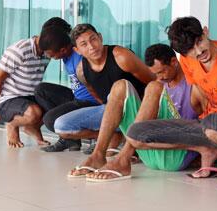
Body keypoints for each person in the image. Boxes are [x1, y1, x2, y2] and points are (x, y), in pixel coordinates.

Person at [125, 16, 217, 185]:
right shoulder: (186, 60)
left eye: (199, 41)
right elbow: (202, 94)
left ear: (205, 32)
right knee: (135, 133)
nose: (198, 52)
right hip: (209, 125)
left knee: (214, 126)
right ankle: (207, 148)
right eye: (190, 50)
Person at [74, 44, 217, 180]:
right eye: (155, 73)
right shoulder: (161, 82)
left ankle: (123, 158)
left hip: (176, 157)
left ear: (173, 62)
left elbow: (210, 127)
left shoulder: (194, 84)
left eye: (162, 72)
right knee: (120, 86)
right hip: (149, 154)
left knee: (153, 87)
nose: (160, 77)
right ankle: (98, 154)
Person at [54, 23, 155, 157]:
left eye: (93, 39)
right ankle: (115, 133)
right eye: (84, 44)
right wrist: (111, 116)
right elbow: (96, 95)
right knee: (61, 126)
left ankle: (118, 141)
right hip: (111, 110)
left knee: (119, 87)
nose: (91, 46)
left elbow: (154, 83)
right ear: (77, 50)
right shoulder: (81, 71)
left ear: (100, 38)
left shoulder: (121, 56)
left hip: (138, 110)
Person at [0, 17, 68, 148]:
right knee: (34, 112)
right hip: (9, 99)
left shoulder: (49, 52)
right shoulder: (19, 50)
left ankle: (32, 127)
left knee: (55, 109)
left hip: (31, 96)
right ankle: (13, 124)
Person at [34, 24, 99, 152]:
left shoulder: (80, 56)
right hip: (77, 98)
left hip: (91, 102)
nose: (49, 57)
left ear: (63, 50)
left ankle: (98, 137)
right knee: (41, 90)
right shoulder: (66, 55)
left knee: (50, 120)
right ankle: (70, 140)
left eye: (51, 55)